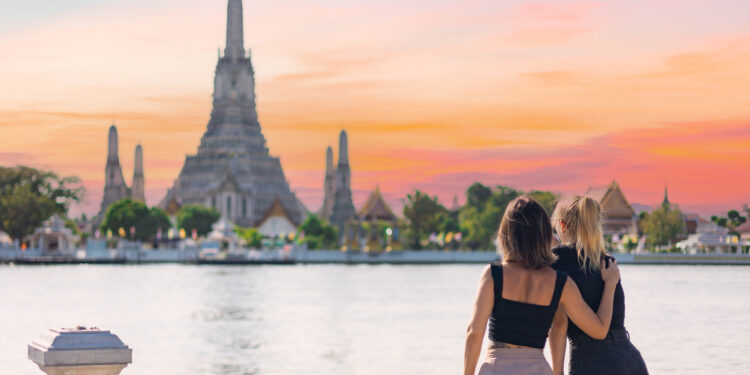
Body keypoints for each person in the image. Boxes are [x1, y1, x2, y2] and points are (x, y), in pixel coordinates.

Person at [464, 196, 620, 375]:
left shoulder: (493, 274)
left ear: (506, 234)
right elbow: (598, 330)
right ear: (544, 234)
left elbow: (475, 332)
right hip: (537, 368)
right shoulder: (561, 282)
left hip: (496, 366)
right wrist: (610, 284)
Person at [549, 195, 648, 375]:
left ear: (562, 226)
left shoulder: (557, 262)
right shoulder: (608, 261)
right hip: (629, 359)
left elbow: (558, 323)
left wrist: (557, 372)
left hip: (591, 360)